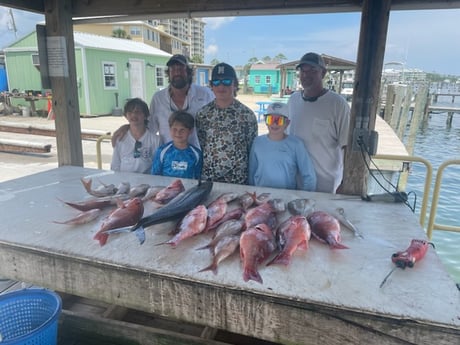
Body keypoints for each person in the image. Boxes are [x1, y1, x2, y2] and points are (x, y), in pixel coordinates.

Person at [111, 54, 214, 148]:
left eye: (181, 68)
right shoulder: (158, 98)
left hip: (199, 158)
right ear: (168, 74)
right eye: (173, 69)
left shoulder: (205, 94)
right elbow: (149, 127)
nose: (177, 72)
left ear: (188, 72)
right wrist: (128, 127)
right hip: (168, 160)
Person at [287, 52, 350, 194]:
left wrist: (345, 182)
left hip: (326, 185)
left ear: (323, 73)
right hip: (295, 183)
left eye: (312, 71)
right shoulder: (293, 100)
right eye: (303, 70)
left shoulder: (338, 104)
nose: (306, 75)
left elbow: (348, 146)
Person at [196, 62, 258, 184]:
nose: (221, 86)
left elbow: (251, 149)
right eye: (216, 82)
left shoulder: (247, 115)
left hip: (238, 181)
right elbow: (202, 143)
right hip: (209, 180)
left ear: (235, 84)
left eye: (227, 81)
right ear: (211, 86)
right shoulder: (202, 114)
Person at [249, 102, 316, 191]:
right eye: (270, 119)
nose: (274, 124)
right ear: (265, 121)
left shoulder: (296, 144)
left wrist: (306, 196)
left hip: (286, 196)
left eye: (279, 120)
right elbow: (251, 171)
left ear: (287, 123)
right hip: (260, 195)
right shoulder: (257, 142)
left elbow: (309, 176)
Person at [111, 98, 160, 173]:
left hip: (147, 181)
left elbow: (157, 167)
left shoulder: (156, 140)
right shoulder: (120, 138)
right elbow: (115, 165)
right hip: (124, 180)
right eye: (130, 112)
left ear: (145, 115)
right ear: (126, 115)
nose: (134, 115)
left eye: (138, 112)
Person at [151, 110, 202, 179]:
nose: (178, 133)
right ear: (170, 129)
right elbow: (154, 175)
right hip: (165, 188)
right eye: (174, 129)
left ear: (191, 131)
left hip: (188, 189)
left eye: (182, 130)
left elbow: (197, 177)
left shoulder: (196, 154)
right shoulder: (162, 151)